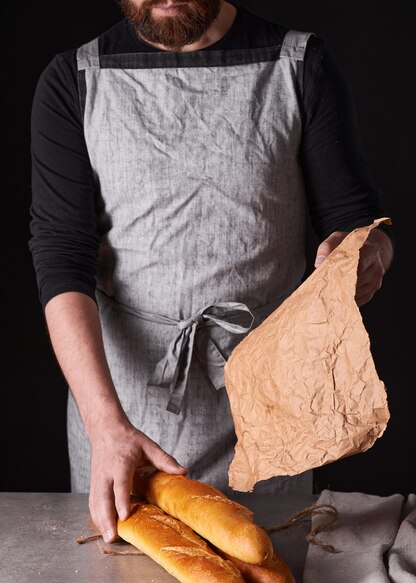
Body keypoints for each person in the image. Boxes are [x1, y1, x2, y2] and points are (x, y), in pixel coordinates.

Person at [29, 0, 395, 544]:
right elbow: (61, 258)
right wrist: (106, 426)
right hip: (122, 404)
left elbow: (359, 224)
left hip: (269, 399)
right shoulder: (75, 79)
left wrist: (366, 257)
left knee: (270, 576)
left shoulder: (300, 63)